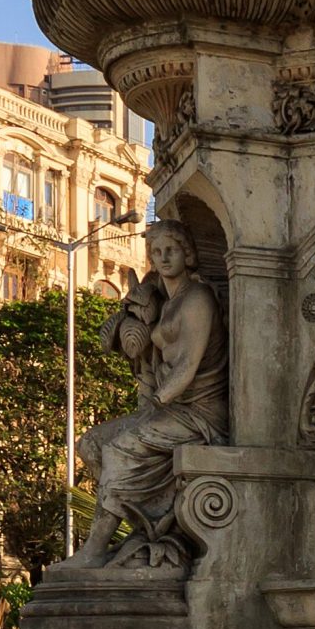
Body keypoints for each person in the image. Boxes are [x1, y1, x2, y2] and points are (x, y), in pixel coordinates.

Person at [73, 219, 227, 564]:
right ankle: (147, 524)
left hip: (198, 413)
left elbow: (187, 366)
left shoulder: (197, 299)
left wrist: (154, 405)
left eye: (171, 250)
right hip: (169, 409)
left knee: (119, 451)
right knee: (91, 444)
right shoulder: (168, 302)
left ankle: (93, 551)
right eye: (156, 252)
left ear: (187, 254)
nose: (164, 257)